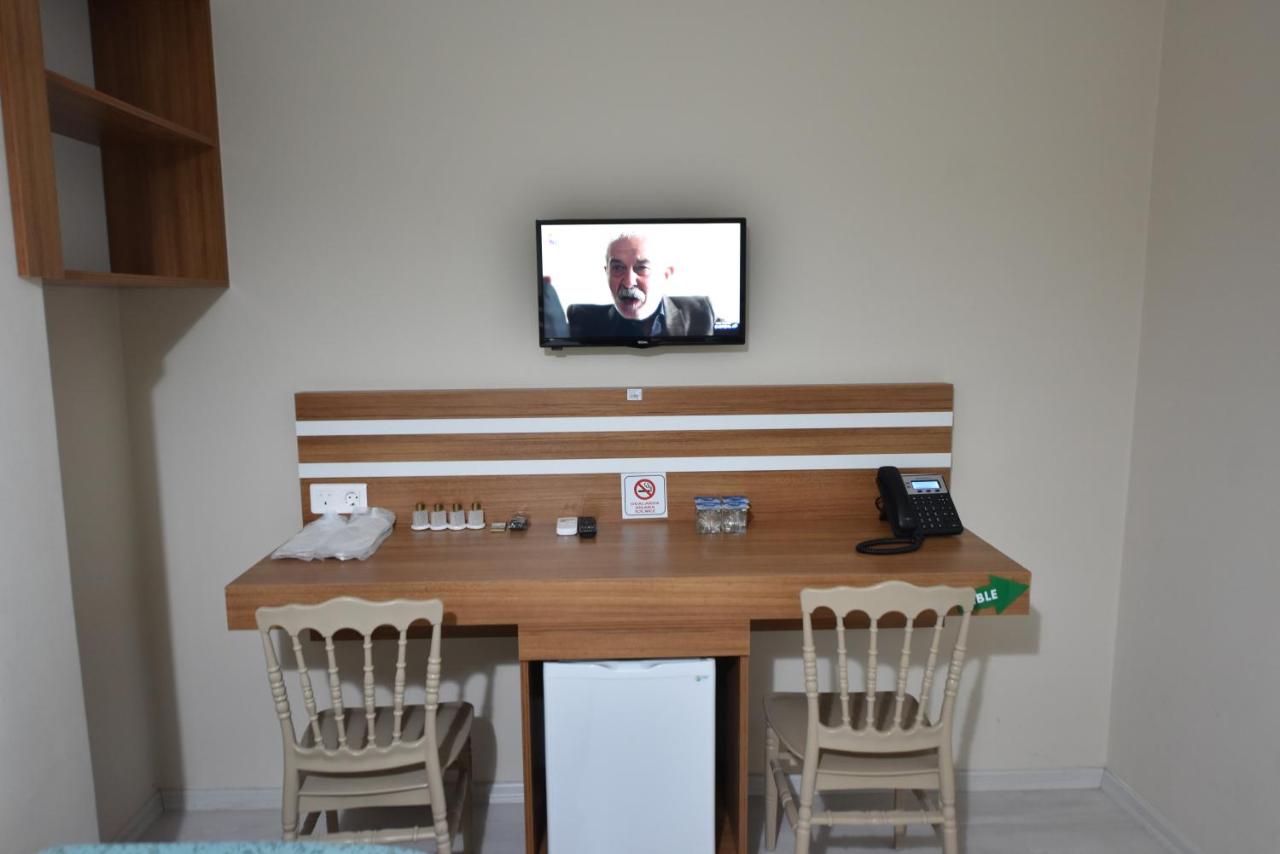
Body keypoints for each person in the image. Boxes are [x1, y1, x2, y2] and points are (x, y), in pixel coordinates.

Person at [566, 233, 714, 338]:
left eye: (642, 268)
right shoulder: (582, 320)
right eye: (618, 268)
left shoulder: (700, 313)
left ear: (665, 275)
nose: (628, 283)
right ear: (607, 273)